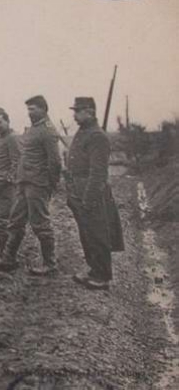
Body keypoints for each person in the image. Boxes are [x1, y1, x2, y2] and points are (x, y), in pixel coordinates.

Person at [0, 95, 62, 275]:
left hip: (37, 184)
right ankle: (8, 258)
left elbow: (55, 162)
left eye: (33, 109)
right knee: (15, 222)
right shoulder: (32, 130)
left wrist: (50, 185)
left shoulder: (48, 131)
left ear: (43, 109)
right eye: (28, 109)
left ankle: (50, 264)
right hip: (23, 183)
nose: (29, 113)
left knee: (40, 224)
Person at [67, 97, 124, 290]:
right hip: (79, 190)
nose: (74, 115)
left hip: (92, 192)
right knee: (87, 233)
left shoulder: (97, 136)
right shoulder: (84, 132)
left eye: (78, 111)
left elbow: (98, 173)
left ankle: (102, 276)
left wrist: (88, 199)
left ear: (90, 112)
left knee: (97, 234)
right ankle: (94, 269)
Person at [0, 107, 21, 260]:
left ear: (8, 121)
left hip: (5, 189)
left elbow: (17, 163)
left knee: (2, 222)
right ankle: (3, 254)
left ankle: (5, 257)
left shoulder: (12, 138)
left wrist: (7, 180)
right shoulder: (1, 138)